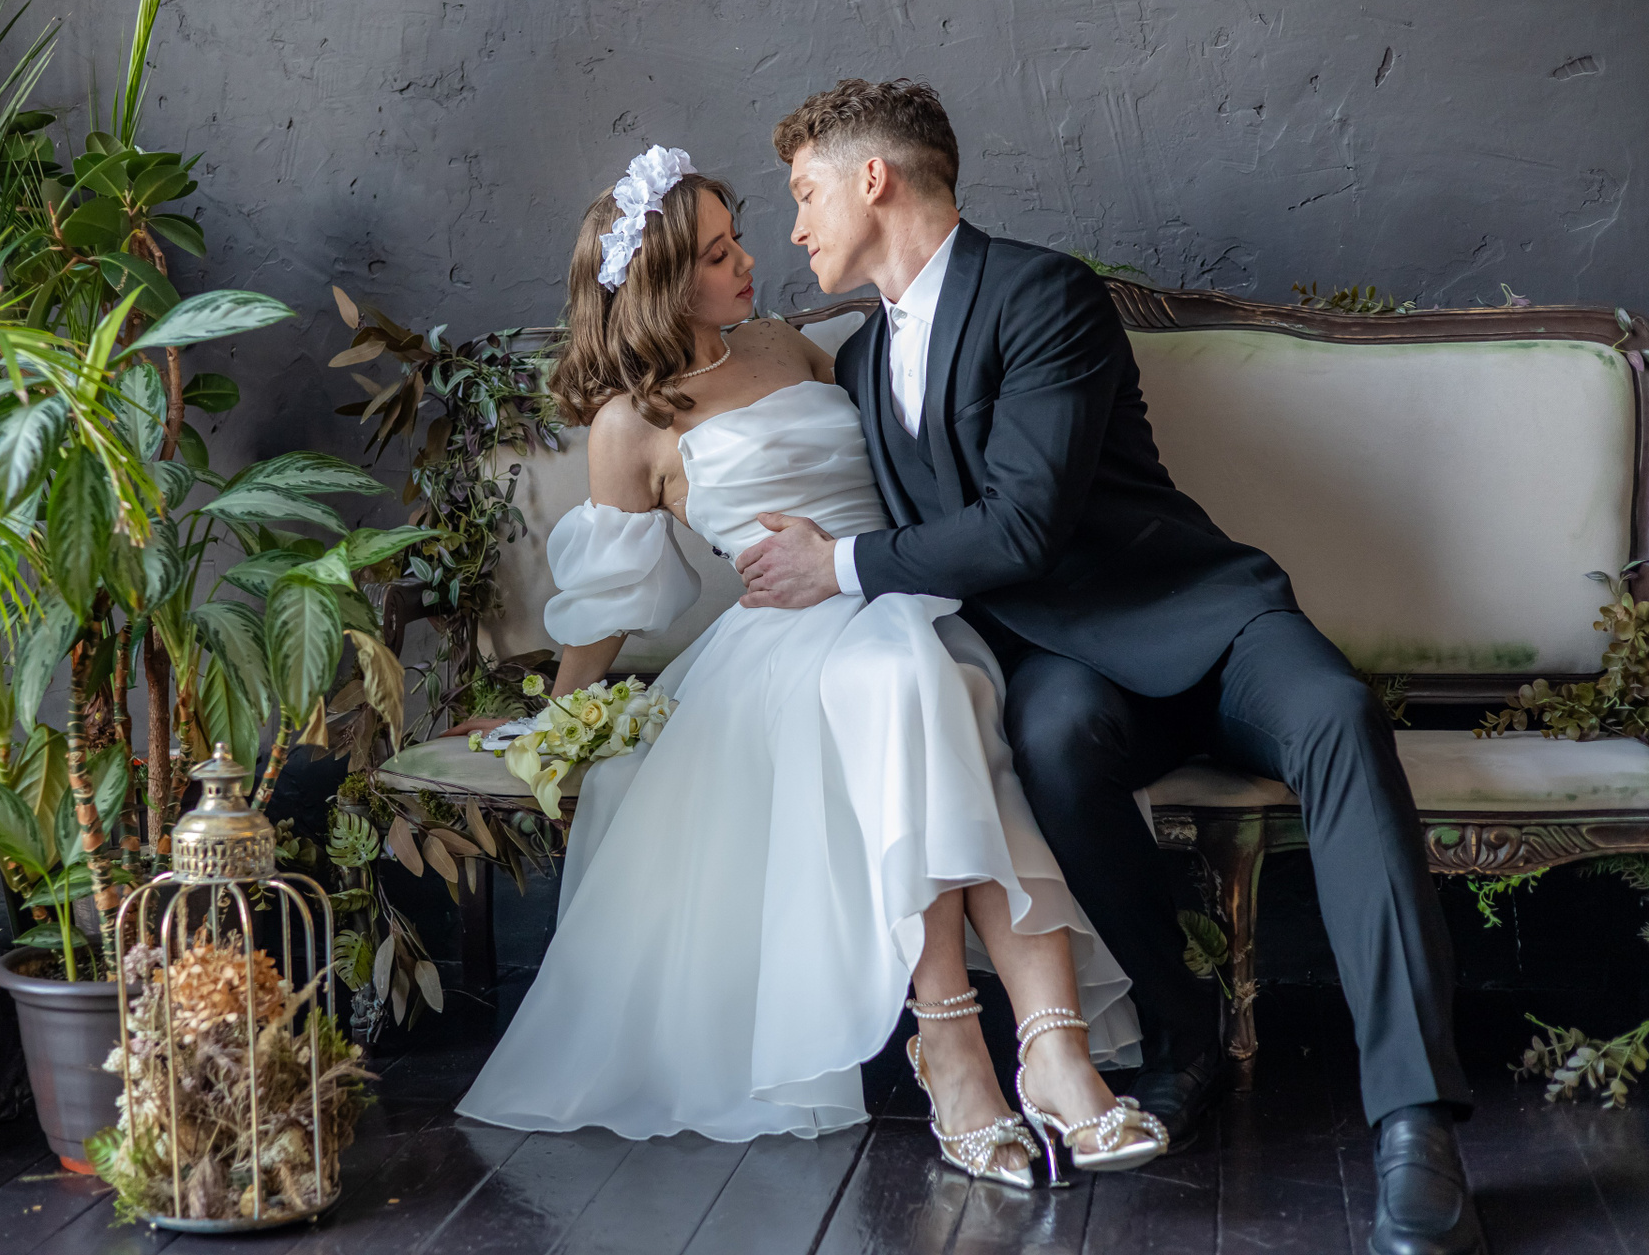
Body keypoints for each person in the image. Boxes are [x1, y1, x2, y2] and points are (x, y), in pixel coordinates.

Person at [736, 79, 1482, 1255]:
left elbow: (1023, 524)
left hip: (1200, 616)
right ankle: (1187, 1036)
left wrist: (835, 565)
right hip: (1064, 668)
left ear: (872, 177)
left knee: (1339, 714)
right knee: (1049, 741)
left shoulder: (1045, 293)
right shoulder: (864, 363)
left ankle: (1414, 1120)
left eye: (804, 192)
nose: (794, 226)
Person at [448, 144, 1166, 1186]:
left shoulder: (788, 343)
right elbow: (608, 605)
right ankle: (1026, 1048)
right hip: (783, 644)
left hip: (900, 596)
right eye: (716, 255)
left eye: (737, 239)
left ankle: (980, 1049)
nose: (749, 261)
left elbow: (907, 462)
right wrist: (556, 714)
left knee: (921, 670)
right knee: (916, 683)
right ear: (659, 285)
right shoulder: (631, 425)